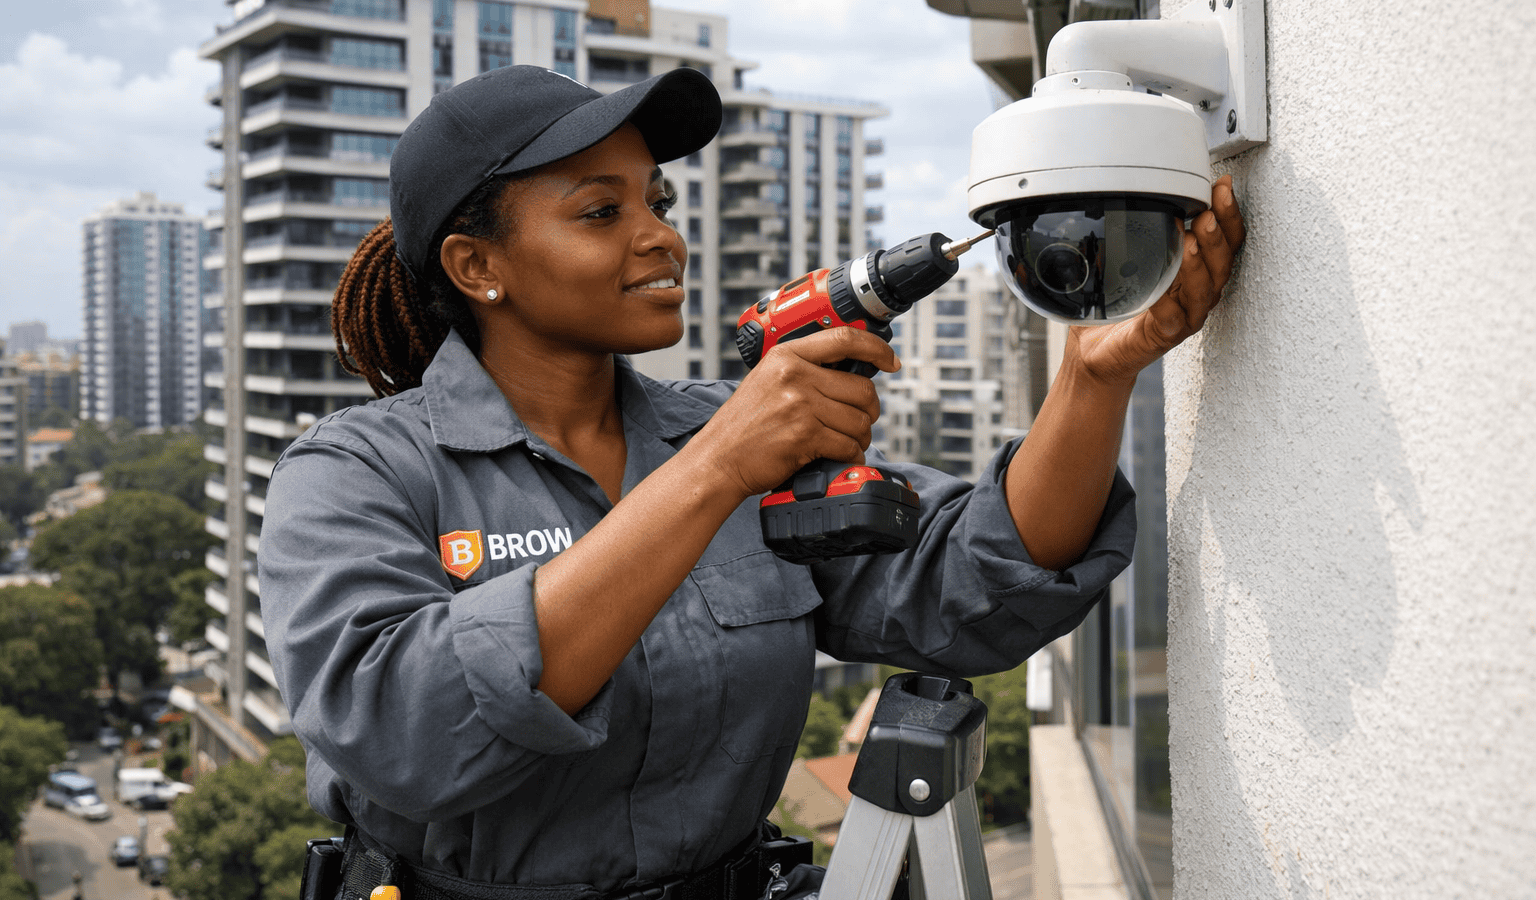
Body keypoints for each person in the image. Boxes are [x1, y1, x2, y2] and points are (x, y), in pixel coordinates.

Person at [257, 65, 1244, 900]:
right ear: (478, 266)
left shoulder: (720, 432)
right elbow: (402, 730)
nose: (659, 237)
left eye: (658, 202)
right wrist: (717, 470)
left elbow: (974, 582)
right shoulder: (356, 476)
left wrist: (1093, 376)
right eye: (601, 211)